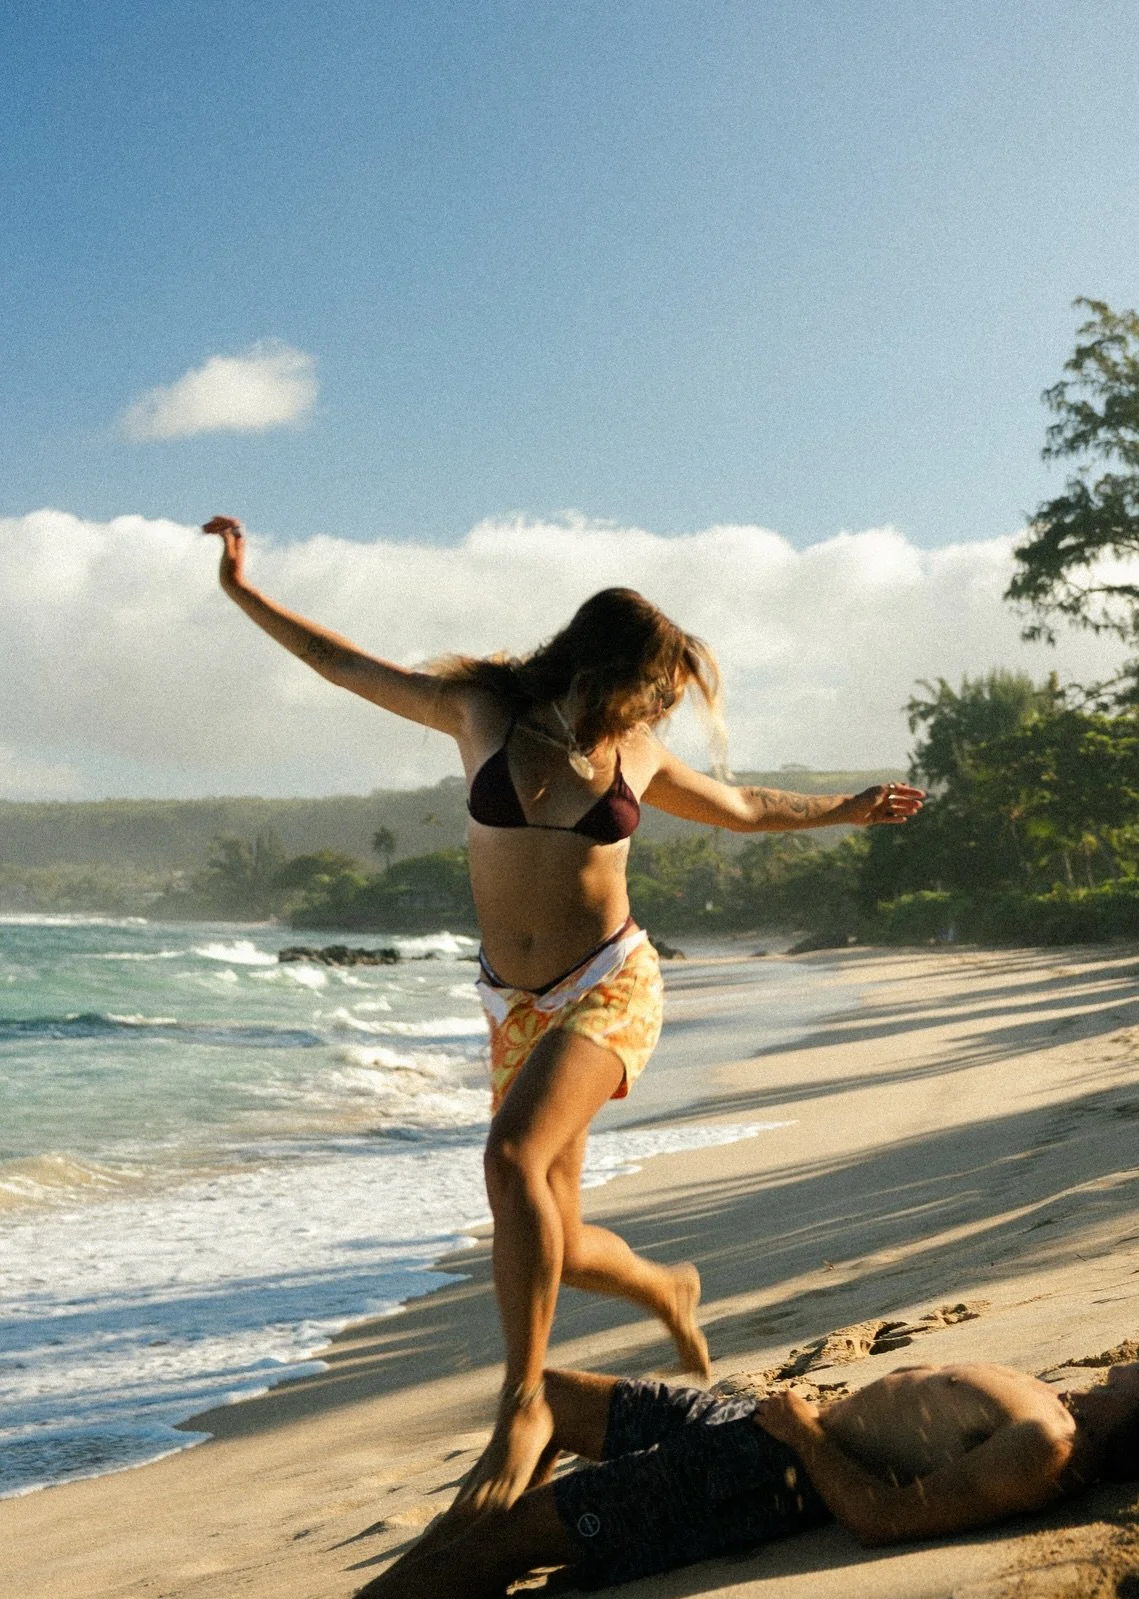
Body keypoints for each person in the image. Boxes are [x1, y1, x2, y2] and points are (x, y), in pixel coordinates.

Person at [201, 518, 925, 1515]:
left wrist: (844, 809)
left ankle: (524, 1405)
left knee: (509, 1160)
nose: (664, 707)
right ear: (604, 666)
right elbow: (339, 665)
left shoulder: (637, 754)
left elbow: (746, 806)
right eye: (657, 688)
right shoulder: (480, 711)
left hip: (610, 984)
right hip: (512, 1008)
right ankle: (664, 1288)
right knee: (548, 1229)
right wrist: (242, 588)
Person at [190, 1353, 1139, 1599]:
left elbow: (882, 1522)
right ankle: (436, 1560)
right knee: (551, 1397)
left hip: (760, 1477)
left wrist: (803, 1431)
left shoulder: (1048, 1448)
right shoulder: (1060, 1415)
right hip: (747, 1431)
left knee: (529, 1531)